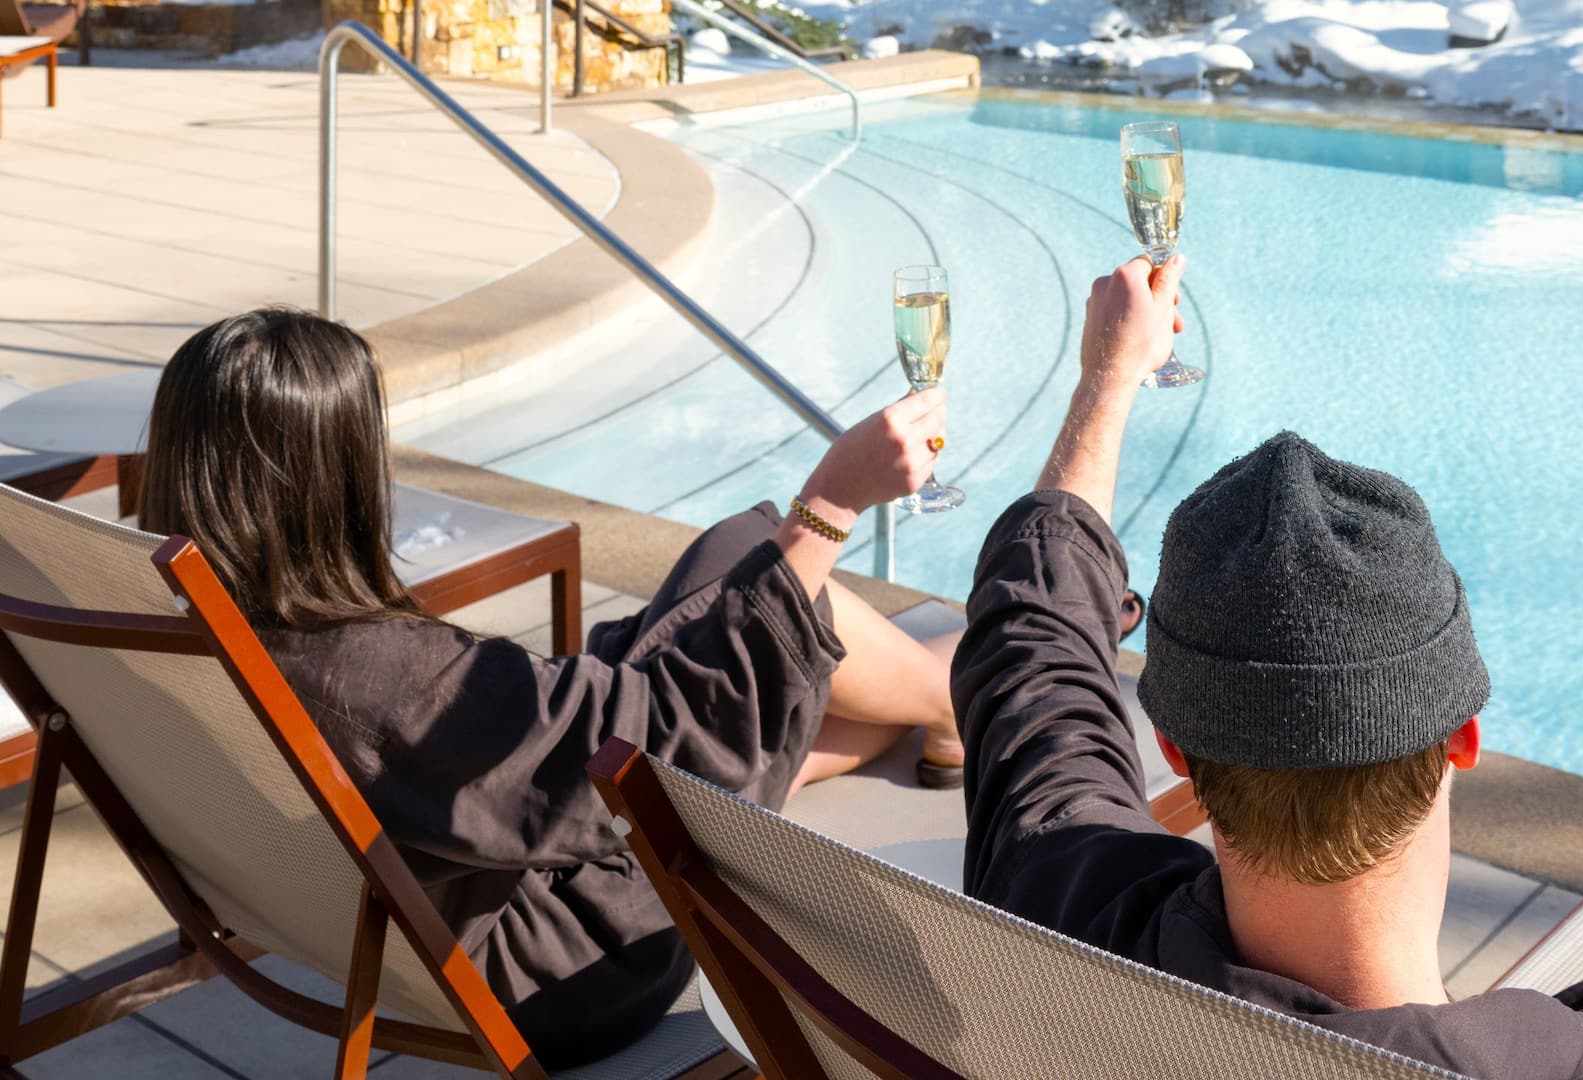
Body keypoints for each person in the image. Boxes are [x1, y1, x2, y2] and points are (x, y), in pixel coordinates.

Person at [950, 255, 1583, 1080]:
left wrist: (1107, 379)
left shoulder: (1059, 907)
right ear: (1463, 737)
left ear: (1172, 743)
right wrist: (1109, 378)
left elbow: (1033, 646)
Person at [137, 308, 965, 1066]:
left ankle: (910, 707)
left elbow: (579, 729)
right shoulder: (375, 676)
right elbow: (670, 740)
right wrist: (830, 504)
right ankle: (952, 698)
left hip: (424, 927)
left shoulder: (171, 620)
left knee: (721, 627)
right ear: (336, 478)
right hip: (564, 967)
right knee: (757, 551)